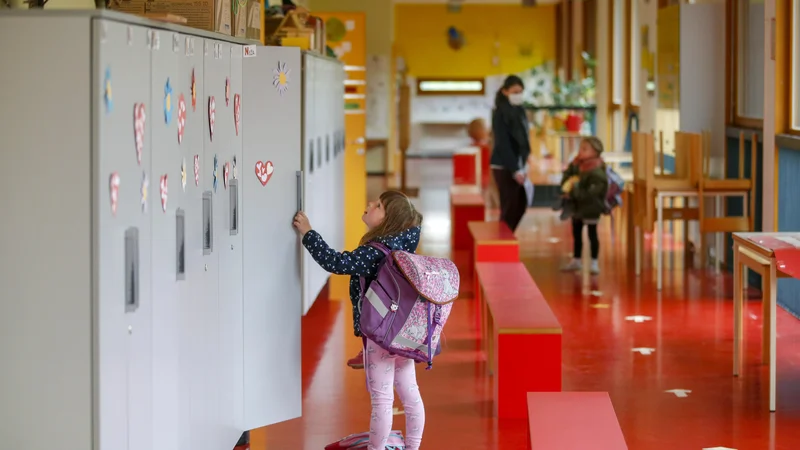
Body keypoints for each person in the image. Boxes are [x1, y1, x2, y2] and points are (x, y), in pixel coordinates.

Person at [293, 190, 426, 450]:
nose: (369, 205)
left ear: (389, 221)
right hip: (402, 335)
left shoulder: (376, 253)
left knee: (382, 400)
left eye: (378, 206)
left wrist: (308, 232)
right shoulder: (404, 248)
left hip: (380, 338)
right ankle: (413, 447)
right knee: (411, 396)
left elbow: (336, 262)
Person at [560, 137, 609, 274]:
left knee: (592, 234)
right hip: (577, 207)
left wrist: (574, 188)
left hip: (591, 207)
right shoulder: (576, 164)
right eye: (580, 148)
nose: (581, 152)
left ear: (595, 152)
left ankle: (594, 262)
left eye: (585, 149)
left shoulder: (597, 171)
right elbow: (567, 175)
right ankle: (576, 259)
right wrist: (566, 184)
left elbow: (592, 193)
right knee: (576, 233)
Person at [490, 75, 531, 232]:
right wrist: (515, 169)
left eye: (521, 91)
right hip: (504, 165)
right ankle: (503, 241)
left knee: (520, 204)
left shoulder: (519, 111)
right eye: (515, 91)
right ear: (505, 91)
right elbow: (503, 143)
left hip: (517, 165)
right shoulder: (500, 113)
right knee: (509, 206)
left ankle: (508, 236)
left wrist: (523, 164)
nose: (518, 95)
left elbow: (523, 141)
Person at [468, 117, 500, 212]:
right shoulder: (486, 147)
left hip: (478, 180)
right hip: (488, 179)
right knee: (492, 199)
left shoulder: (471, 147)